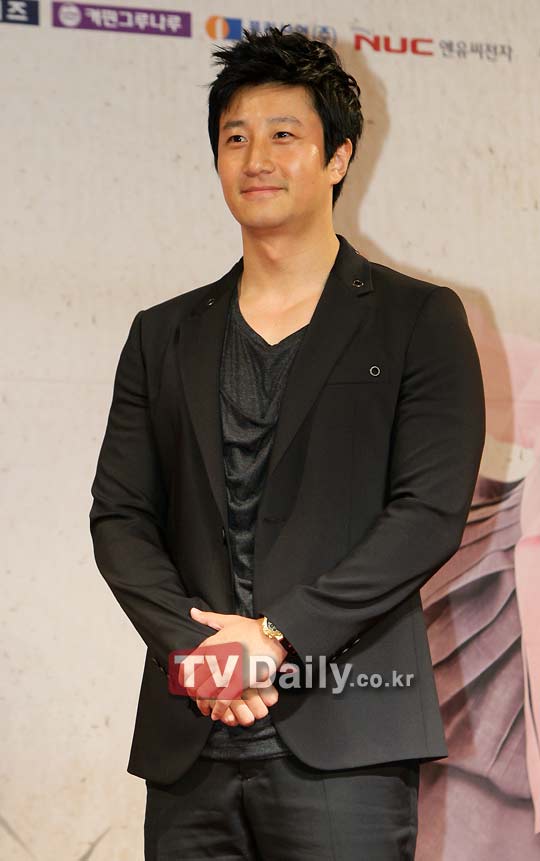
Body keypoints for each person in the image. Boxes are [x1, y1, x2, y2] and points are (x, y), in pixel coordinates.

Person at [89, 26, 486, 860]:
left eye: (282, 135)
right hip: (192, 742)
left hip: (347, 742)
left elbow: (427, 514)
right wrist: (202, 654)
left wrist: (275, 638)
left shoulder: (419, 319)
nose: (256, 158)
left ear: (338, 157)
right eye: (235, 138)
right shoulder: (161, 334)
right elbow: (120, 517)